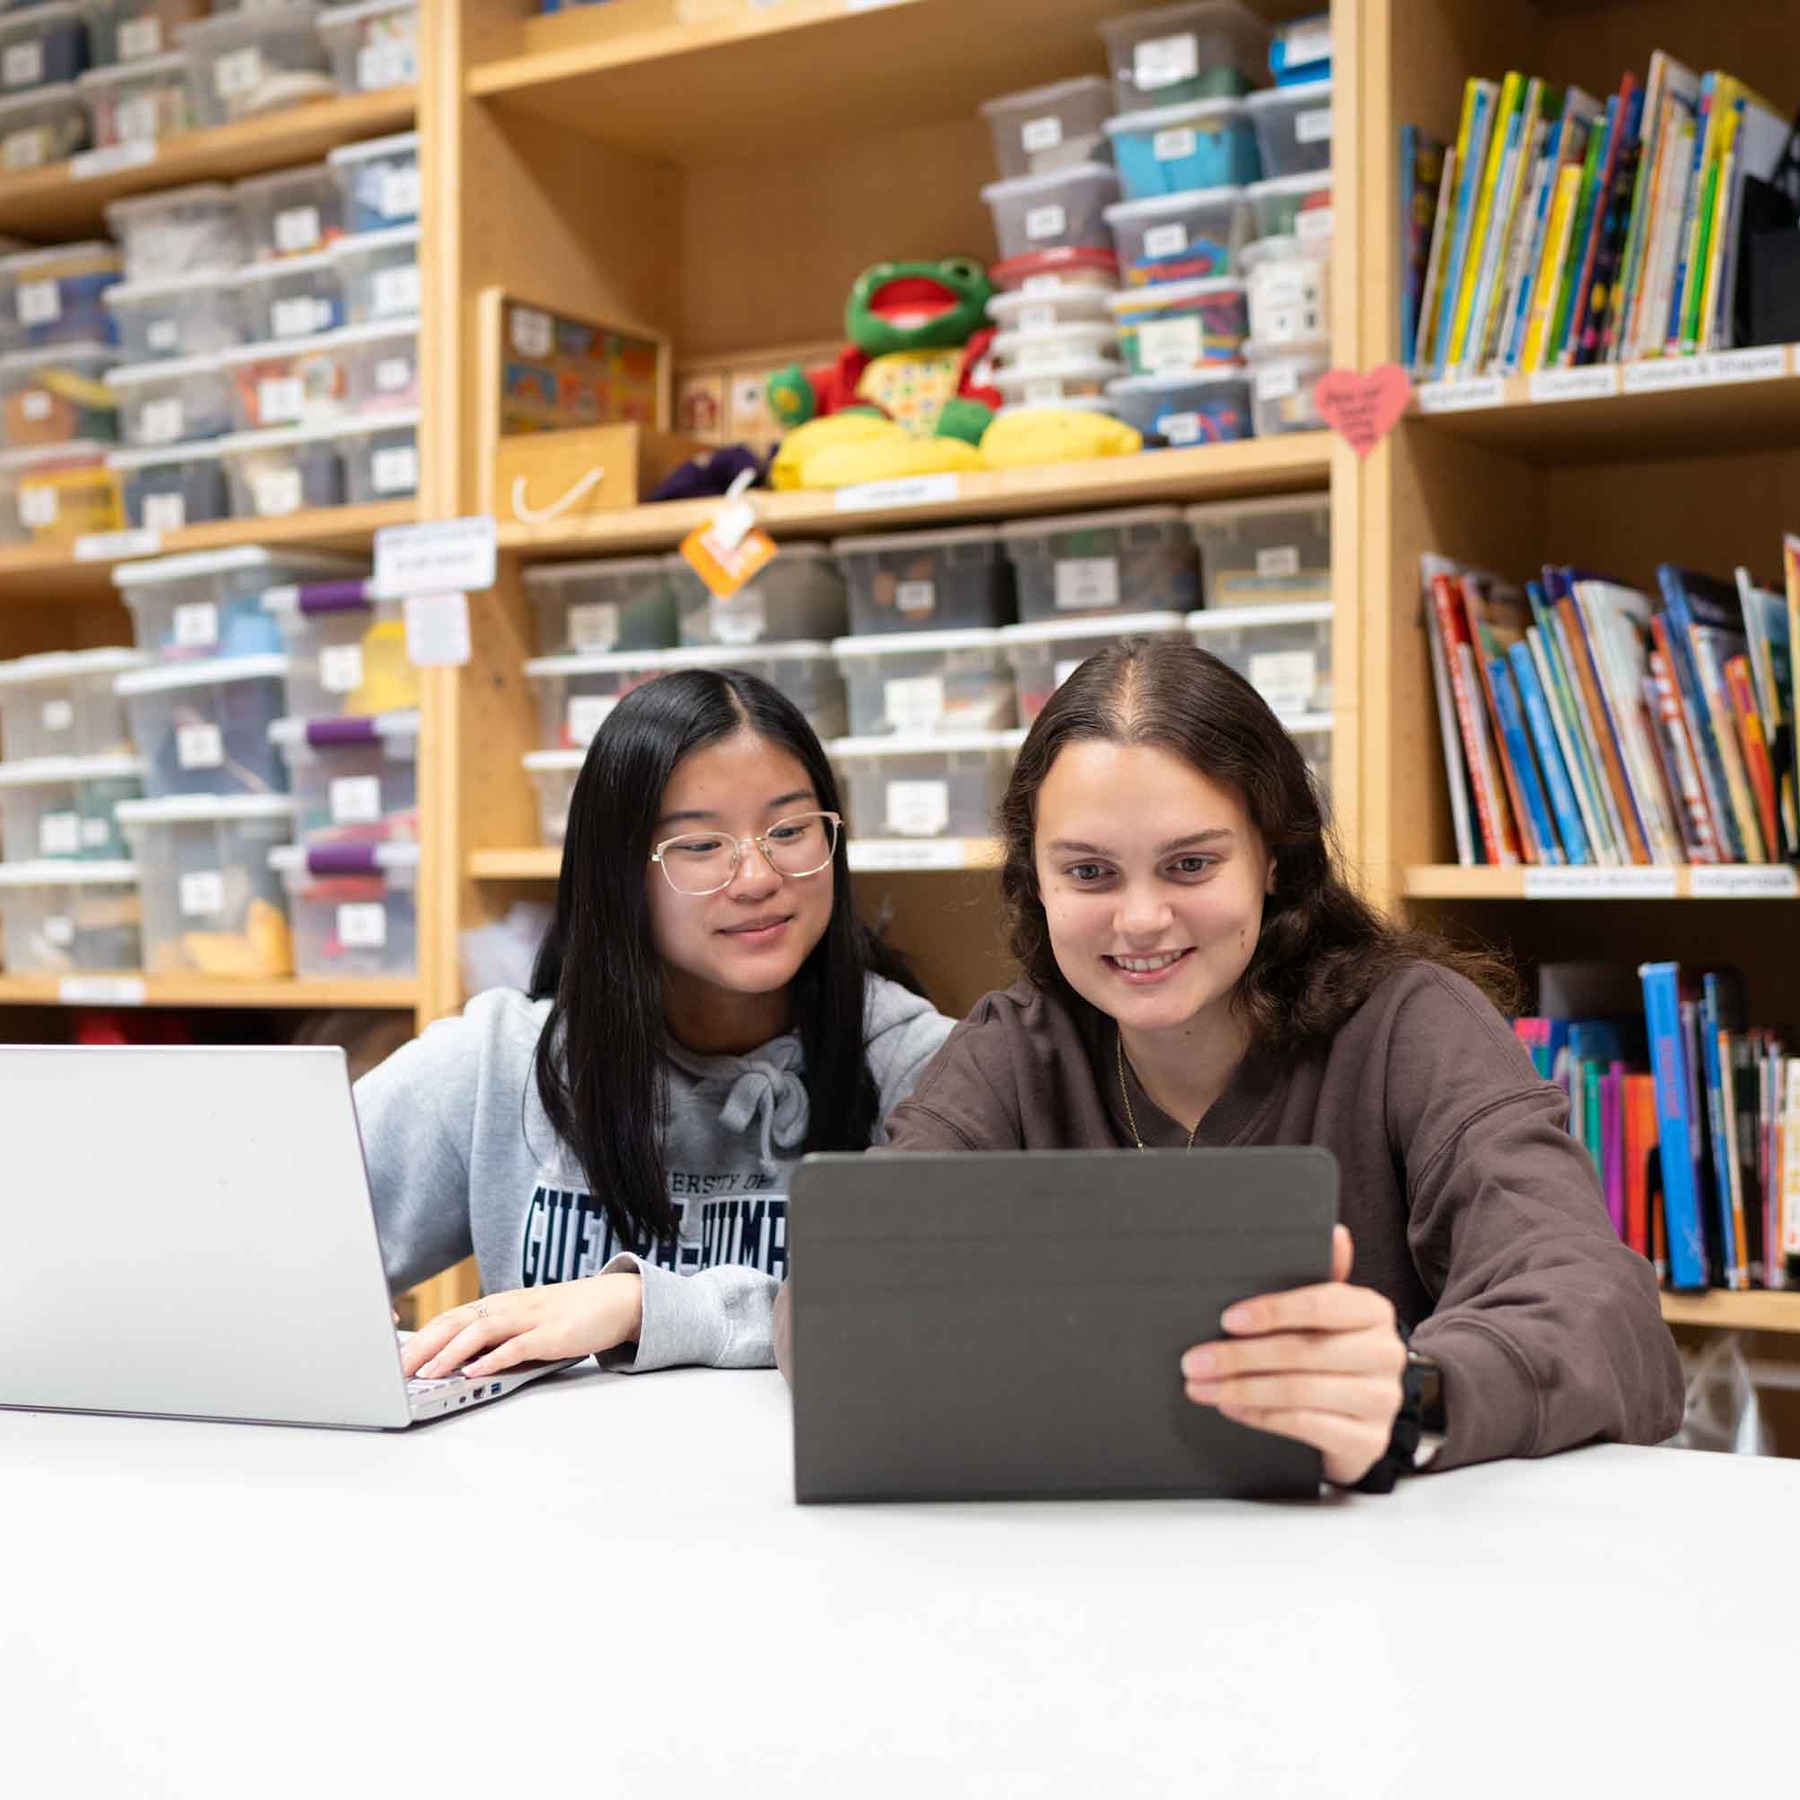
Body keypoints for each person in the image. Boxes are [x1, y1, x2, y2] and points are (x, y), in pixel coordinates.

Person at [778, 639, 1683, 1489]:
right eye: (1089, 874)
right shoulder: (1013, 1049)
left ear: (1276, 862)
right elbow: (832, 1295)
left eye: (1190, 864)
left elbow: (1606, 1316)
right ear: (1036, 882)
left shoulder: (1414, 1027)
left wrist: (1416, 1395)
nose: (1140, 920)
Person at [357, 668, 954, 1381]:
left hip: (803, 1483)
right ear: (617, 876)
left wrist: (646, 1306)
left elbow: (961, 1316)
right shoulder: (504, 1062)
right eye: (700, 846)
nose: (757, 876)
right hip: (545, 1485)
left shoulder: (927, 1069)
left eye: (790, 830)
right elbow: (271, 1233)